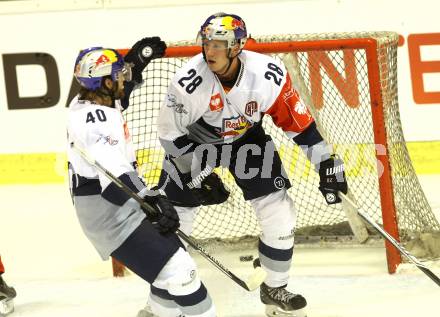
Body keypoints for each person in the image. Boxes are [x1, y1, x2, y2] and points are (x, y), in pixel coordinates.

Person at [155, 13, 348, 317]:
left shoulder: (269, 74)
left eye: (219, 44)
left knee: (280, 211)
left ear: (237, 47)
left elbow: (300, 126)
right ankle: (159, 308)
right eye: (206, 42)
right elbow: (169, 132)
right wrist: (196, 174)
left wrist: (326, 164)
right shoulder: (188, 83)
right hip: (194, 144)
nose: (210, 51)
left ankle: (275, 287)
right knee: (174, 222)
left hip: (247, 141)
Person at [67, 39, 216, 317]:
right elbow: (115, 174)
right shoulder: (94, 120)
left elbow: (118, 98)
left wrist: (135, 64)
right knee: (181, 271)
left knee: (167, 270)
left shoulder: (89, 101)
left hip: (115, 203)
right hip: (109, 213)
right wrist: (153, 199)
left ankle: (158, 314)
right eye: (118, 75)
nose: (123, 79)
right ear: (107, 83)